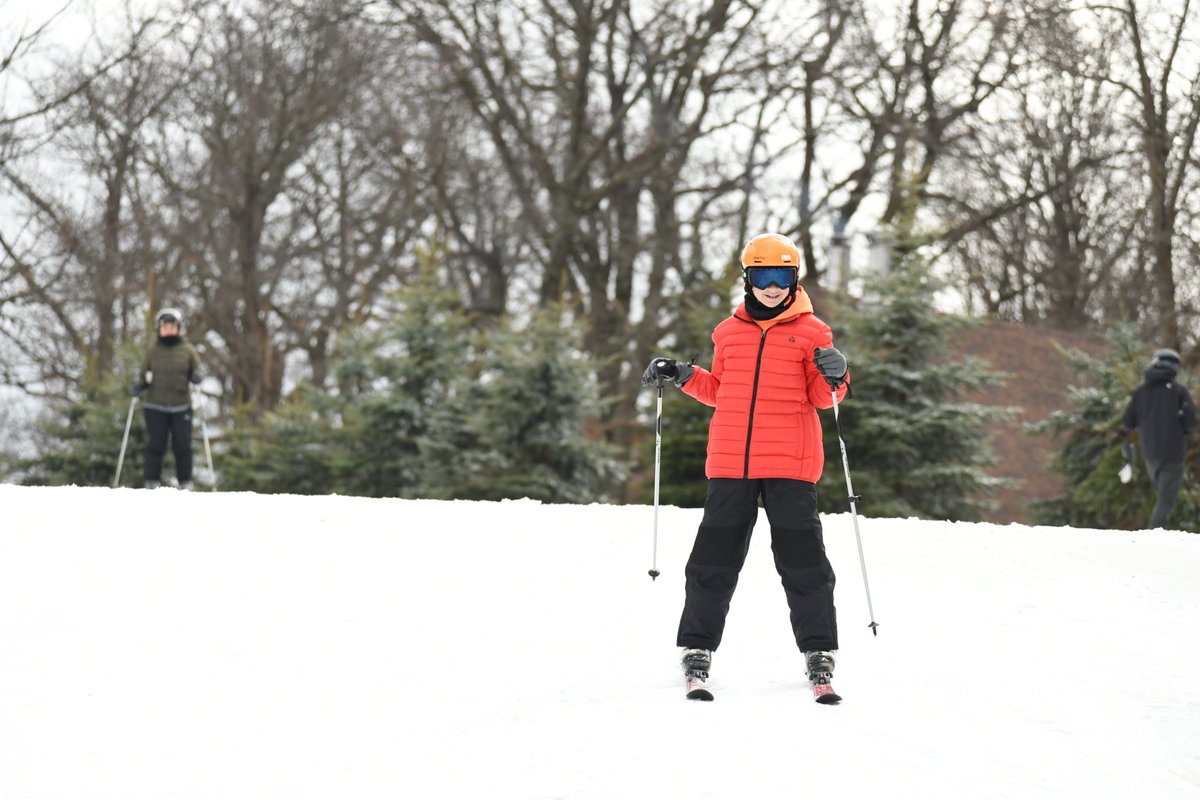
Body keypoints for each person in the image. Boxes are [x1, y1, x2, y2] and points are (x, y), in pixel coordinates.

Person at [642, 232, 850, 703]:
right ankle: (697, 648)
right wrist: (682, 374)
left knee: (803, 564)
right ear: (748, 278)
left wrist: (839, 372)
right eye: (762, 276)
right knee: (712, 562)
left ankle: (818, 652)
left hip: (791, 464)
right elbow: (723, 391)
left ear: (794, 279)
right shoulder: (727, 333)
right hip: (731, 462)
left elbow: (823, 396)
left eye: (781, 276)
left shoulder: (814, 332)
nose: (772, 286)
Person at [1121, 348, 1196, 529]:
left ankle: (1156, 533)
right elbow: (1190, 423)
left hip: (1150, 453)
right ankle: (1154, 535)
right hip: (1173, 453)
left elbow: (1128, 422)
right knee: (1166, 500)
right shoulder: (1179, 392)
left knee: (1161, 496)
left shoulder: (1141, 392)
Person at [132, 308, 202, 490]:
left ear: (178, 328)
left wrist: (196, 376)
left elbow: (198, 370)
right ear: (159, 329)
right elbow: (144, 375)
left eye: (171, 327)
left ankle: (185, 482)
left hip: (181, 405)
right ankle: (151, 482)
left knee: (182, 446)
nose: (168, 330)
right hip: (156, 405)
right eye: (164, 327)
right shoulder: (153, 352)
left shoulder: (187, 350)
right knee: (156, 444)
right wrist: (139, 386)